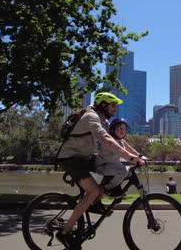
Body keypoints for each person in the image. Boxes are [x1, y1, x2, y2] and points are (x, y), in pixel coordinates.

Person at [56, 92, 145, 249]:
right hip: (72, 159)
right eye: (113, 105)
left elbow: (118, 140)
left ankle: (95, 202)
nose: (116, 109)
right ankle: (64, 232)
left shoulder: (103, 120)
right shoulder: (92, 117)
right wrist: (130, 157)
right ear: (103, 104)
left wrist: (138, 155)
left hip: (85, 158)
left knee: (100, 186)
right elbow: (106, 139)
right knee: (93, 191)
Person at [95, 118, 147, 197]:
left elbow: (131, 150)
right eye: (120, 128)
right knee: (124, 170)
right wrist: (136, 160)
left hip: (112, 167)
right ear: (113, 129)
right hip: (102, 166)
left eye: (125, 129)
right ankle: (107, 189)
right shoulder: (111, 141)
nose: (123, 130)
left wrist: (141, 156)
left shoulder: (121, 141)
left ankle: (116, 190)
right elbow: (123, 153)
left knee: (128, 172)